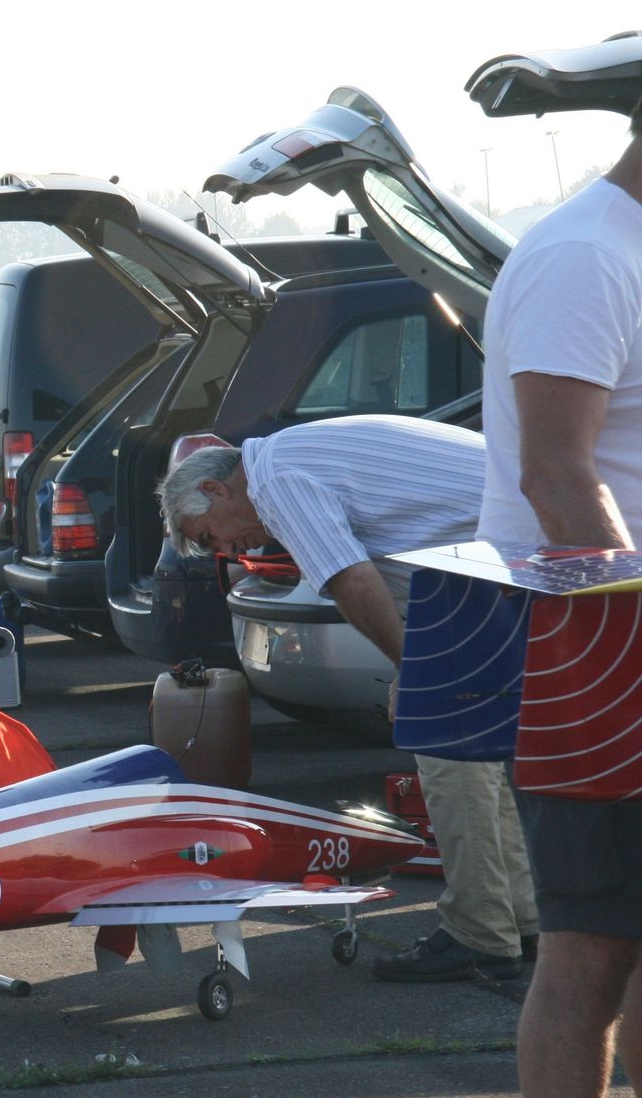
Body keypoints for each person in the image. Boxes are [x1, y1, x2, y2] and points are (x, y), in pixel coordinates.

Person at [158, 414, 538, 984]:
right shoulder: (287, 457)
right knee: (475, 756)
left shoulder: (275, 480)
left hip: (500, 567)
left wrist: (413, 671)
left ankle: (481, 933)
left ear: (216, 489)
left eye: (211, 536)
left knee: (450, 753)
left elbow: (350, 578)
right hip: (503, 565)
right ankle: (520, 921)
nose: (229, 552)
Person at [476, 104, 642, 1098]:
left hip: (618, 632)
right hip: (591, 642)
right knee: (586, 942)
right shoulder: (584, 254)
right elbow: (553, 474)